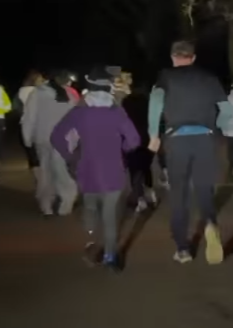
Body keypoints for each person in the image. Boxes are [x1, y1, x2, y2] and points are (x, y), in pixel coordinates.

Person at [147, 40, 233, 265]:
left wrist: (153, 134)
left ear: (173, 57)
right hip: (205, 139)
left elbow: (155, 102)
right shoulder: (209, 79)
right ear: (193, 58)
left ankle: (182, 249)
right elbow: (225, 110)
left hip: (177, 141)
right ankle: (211, 224)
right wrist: (220, 128)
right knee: (204, 190)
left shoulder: (165, 77)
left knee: (179, 195)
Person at [51, 70, 140, 272]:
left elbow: (57, 137)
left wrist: (70, 156)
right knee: (110, 216)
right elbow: (134, 140)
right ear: (109, 87)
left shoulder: (80, 112)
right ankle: (110, 256)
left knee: (90, 206)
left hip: (87, 168)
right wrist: (122, 150)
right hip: (113, 169)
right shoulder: (116, 112)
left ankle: (91, 237)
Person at [22, 70, 78, 217]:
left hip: (43, 138)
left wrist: (27, 138)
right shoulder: (70, 95)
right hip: (64, 140)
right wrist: (76, 138)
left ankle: (46, 205)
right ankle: (66, 203)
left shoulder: (37, 94)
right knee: (62, 171)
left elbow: (29, 117)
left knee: (46, 172)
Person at [122, 80, 158, 213]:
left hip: (131, 139)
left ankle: (140, 199)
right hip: (147, 137)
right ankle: (151, 194)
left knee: (134, 169)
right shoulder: (148, 101)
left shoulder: (126, 102)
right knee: (146, 167)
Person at [14, 69, 44, 181]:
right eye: (41, 79)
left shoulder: (21, 91)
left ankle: (35, 171)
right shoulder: (41, 91)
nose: (43, 80)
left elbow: (16, 107)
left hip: (25, 122)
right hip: (40, 123)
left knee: (30, 149)